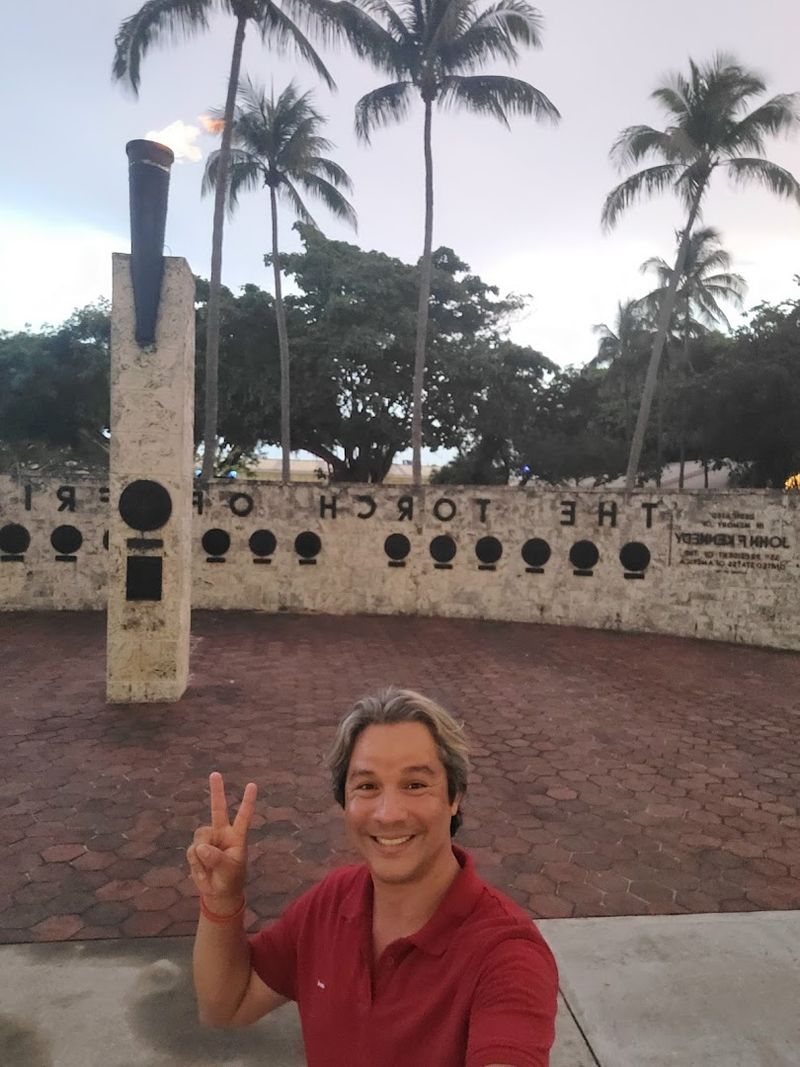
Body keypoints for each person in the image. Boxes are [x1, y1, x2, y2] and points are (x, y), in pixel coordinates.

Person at [187, 687, 558, 1066]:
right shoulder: (331, 903)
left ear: (455, 797)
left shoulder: (507, 955)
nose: (388, 813)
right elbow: (227, 1007)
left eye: (415, 784)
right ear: (344, 803)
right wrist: (222, 901)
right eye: (367, 786)